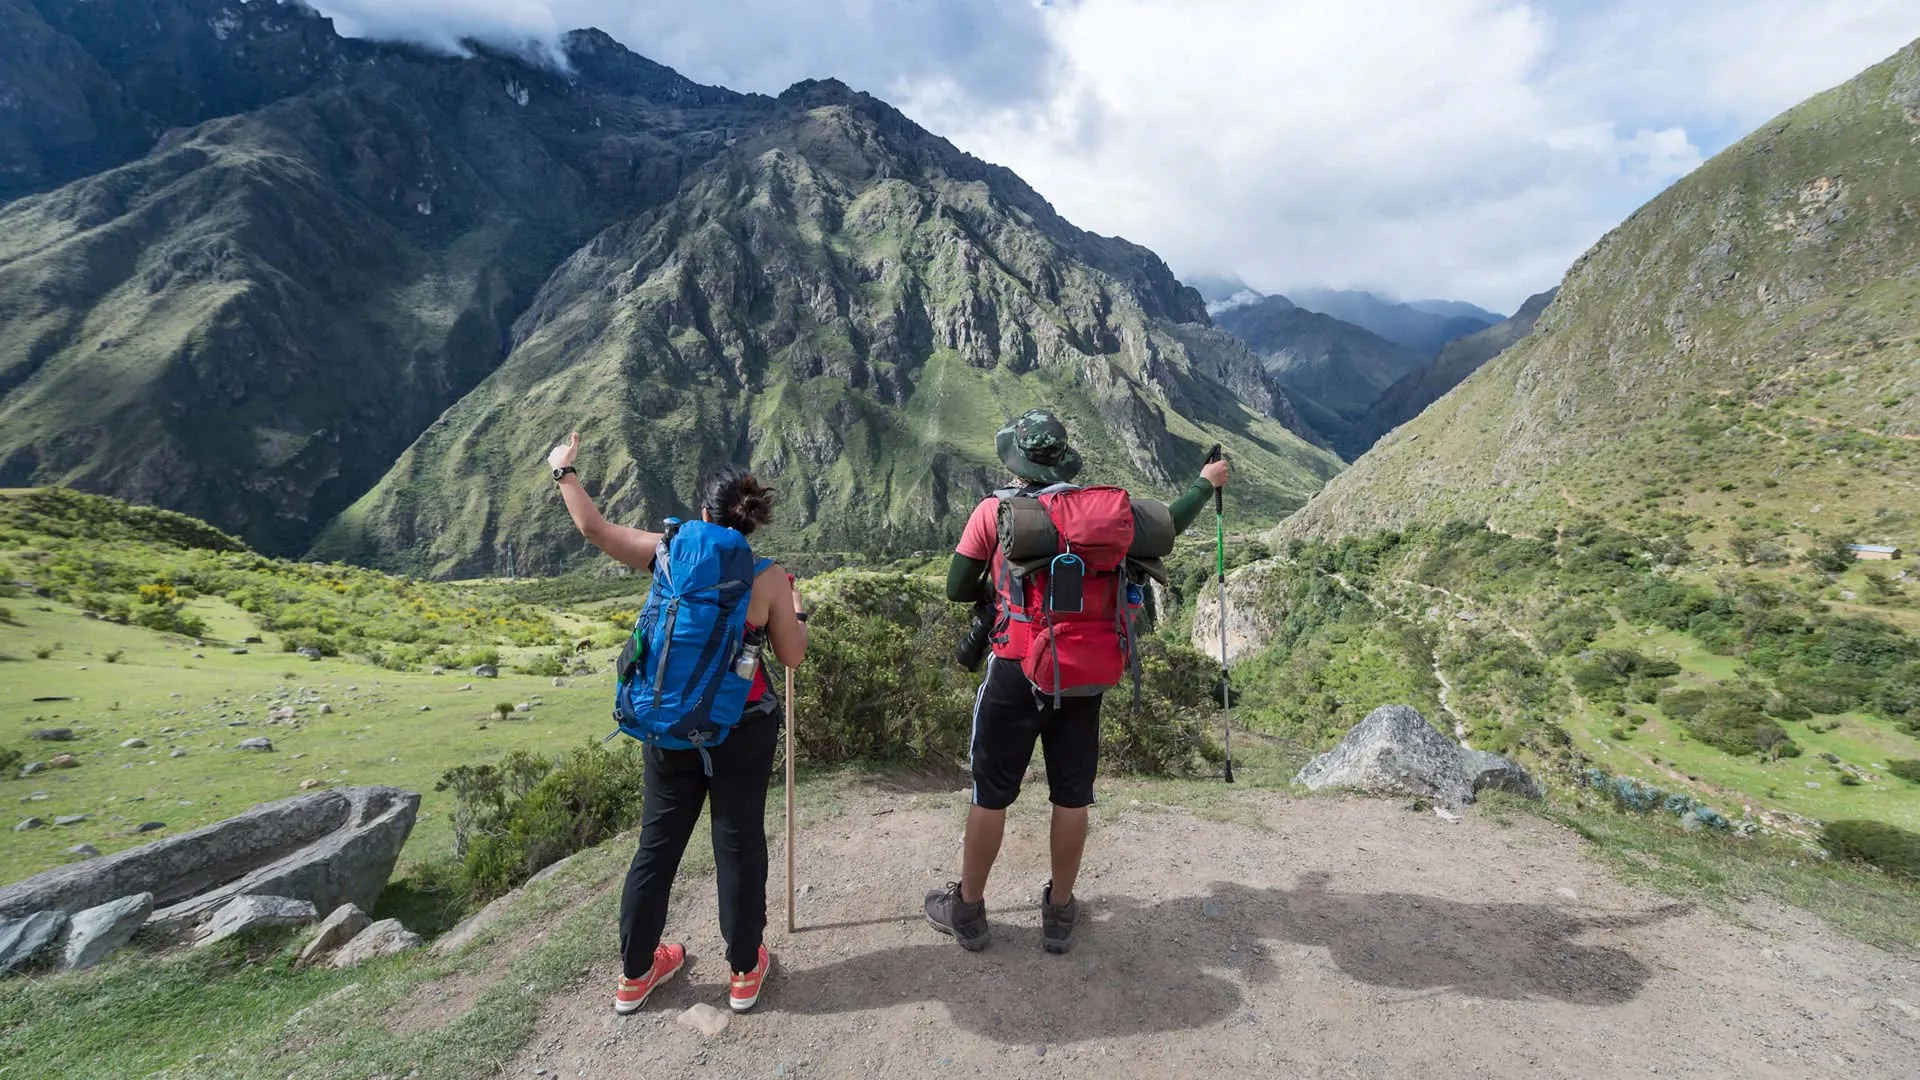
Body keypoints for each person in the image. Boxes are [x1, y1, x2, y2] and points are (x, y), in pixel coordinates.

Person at [924, 409, 1229, 954]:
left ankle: (967, 910)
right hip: (1083, 673)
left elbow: (955, 586)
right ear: (1064, 459)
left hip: (1017, 669)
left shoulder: (993, 512)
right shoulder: (1109, 516)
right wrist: (1205, 485)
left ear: (1016, 462)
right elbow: (1172, 522)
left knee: (990, 796)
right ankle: (1060, 912)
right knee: (1071, 797)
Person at [547, 432, 807, 1015]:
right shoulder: (766, 576)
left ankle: (636, 974)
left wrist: (563, 471)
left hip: (666, 724)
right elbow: (791, 656)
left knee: (657, 845)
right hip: (741, 726)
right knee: (737, 841)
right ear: (749, 520)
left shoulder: (664, 551)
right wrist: (793, 608)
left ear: (704, 513)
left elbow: (594, 529)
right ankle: (744, 971)